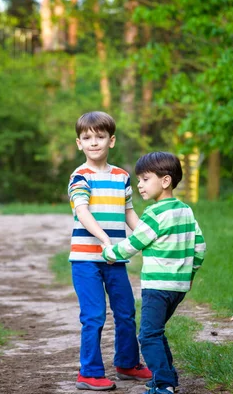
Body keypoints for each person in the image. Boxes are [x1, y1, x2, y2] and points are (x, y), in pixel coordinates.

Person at [102, 152, 207, 394]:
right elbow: (200, 246)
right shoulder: (186, 212)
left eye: (145, 179)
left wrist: (109, 252)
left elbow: (134, 244)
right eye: (139, 179)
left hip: (158, 287)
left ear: (165, 181)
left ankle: (164, 385)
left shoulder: (154, 214)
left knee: (148, 335)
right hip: (178, 287)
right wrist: (190, 275)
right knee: (156, 331)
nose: (139, 184)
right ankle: (168, 377)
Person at [68, 111, 152, 391]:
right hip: (86, 260)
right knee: (93, 316)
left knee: (126, 312)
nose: (94, 142)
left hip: (114, 259)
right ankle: (89, 373)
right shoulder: (80, 177)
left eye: (100, 137)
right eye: (87, 138)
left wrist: (147, 235)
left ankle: (127, 364)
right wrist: (105, 240)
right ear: (79, 143)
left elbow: (128, 212)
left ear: (111, 141)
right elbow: (83, 212)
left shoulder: (122, 177)